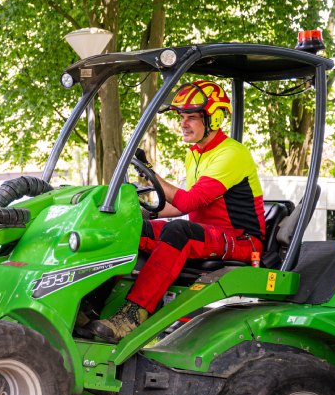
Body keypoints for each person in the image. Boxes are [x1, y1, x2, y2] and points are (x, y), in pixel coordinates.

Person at [86, 80, 265, 343]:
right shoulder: (195, 154)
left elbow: (191, 201)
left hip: (242, 240)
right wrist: (146, 213)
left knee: (178, 231)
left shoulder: (232, 154)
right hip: (207, 234)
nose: (183, 123)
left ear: (214, 118)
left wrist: (154, 177)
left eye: (192, 117)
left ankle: (133, 315)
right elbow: (182, 204)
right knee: (128, 228)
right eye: (182, 116)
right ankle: (90, 307)